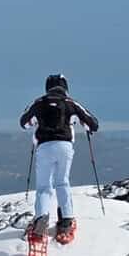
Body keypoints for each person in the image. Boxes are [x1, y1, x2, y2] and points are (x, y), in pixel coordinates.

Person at [20, 74, 100, 244]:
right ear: (65, 87)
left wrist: (36, 122)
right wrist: (84, 125)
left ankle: (41, 219)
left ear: (47, 87)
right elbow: (93, 123)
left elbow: (24, 123)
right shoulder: (71, 103)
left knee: (44, 187)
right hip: (65, 146)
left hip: (44, 147)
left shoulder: (38, 103)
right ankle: (66, 221)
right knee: (62, 182)